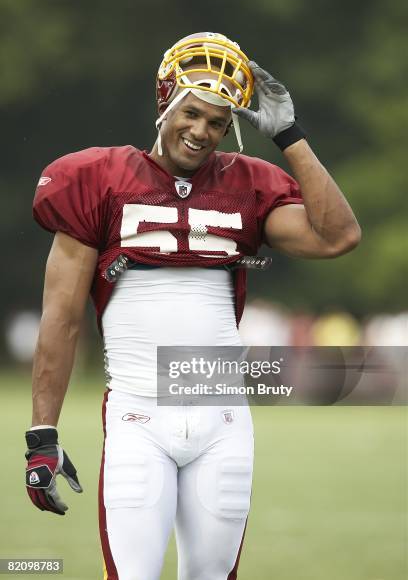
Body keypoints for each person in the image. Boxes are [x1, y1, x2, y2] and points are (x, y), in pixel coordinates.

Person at [25, 32, 361, 580]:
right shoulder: (98, 180)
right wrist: (42, 437)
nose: (201, 132)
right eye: (192, 113)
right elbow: (60, 321)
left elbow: (339, 235)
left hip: (223, 418)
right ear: (165, 102)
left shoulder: (247, 185)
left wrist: (289, 136)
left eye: (217, 123)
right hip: (139, 413)